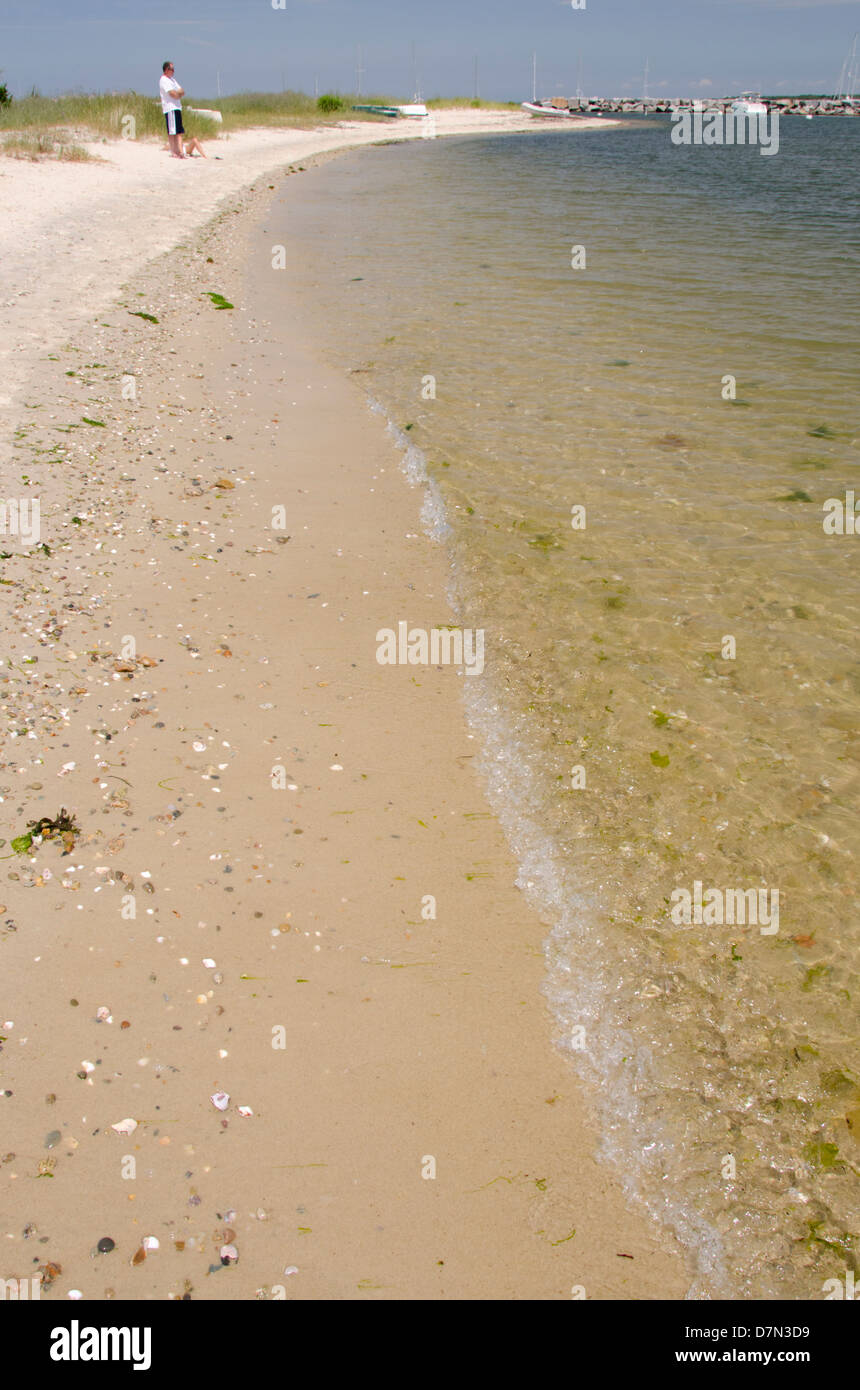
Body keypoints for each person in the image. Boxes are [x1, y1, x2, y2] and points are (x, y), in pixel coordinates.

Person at [159, 61, 186, 159]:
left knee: (179, 131)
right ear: (166, 70)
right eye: (172, 69)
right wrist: (177, 94)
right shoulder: (163, 80)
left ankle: (180, 152)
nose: (173, 71)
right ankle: (174, 151)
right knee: (172, 132)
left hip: (177, 107)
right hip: (170, 108)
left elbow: (182, 91)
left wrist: (178, 93)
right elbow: (172, 94)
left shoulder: (173, 80)